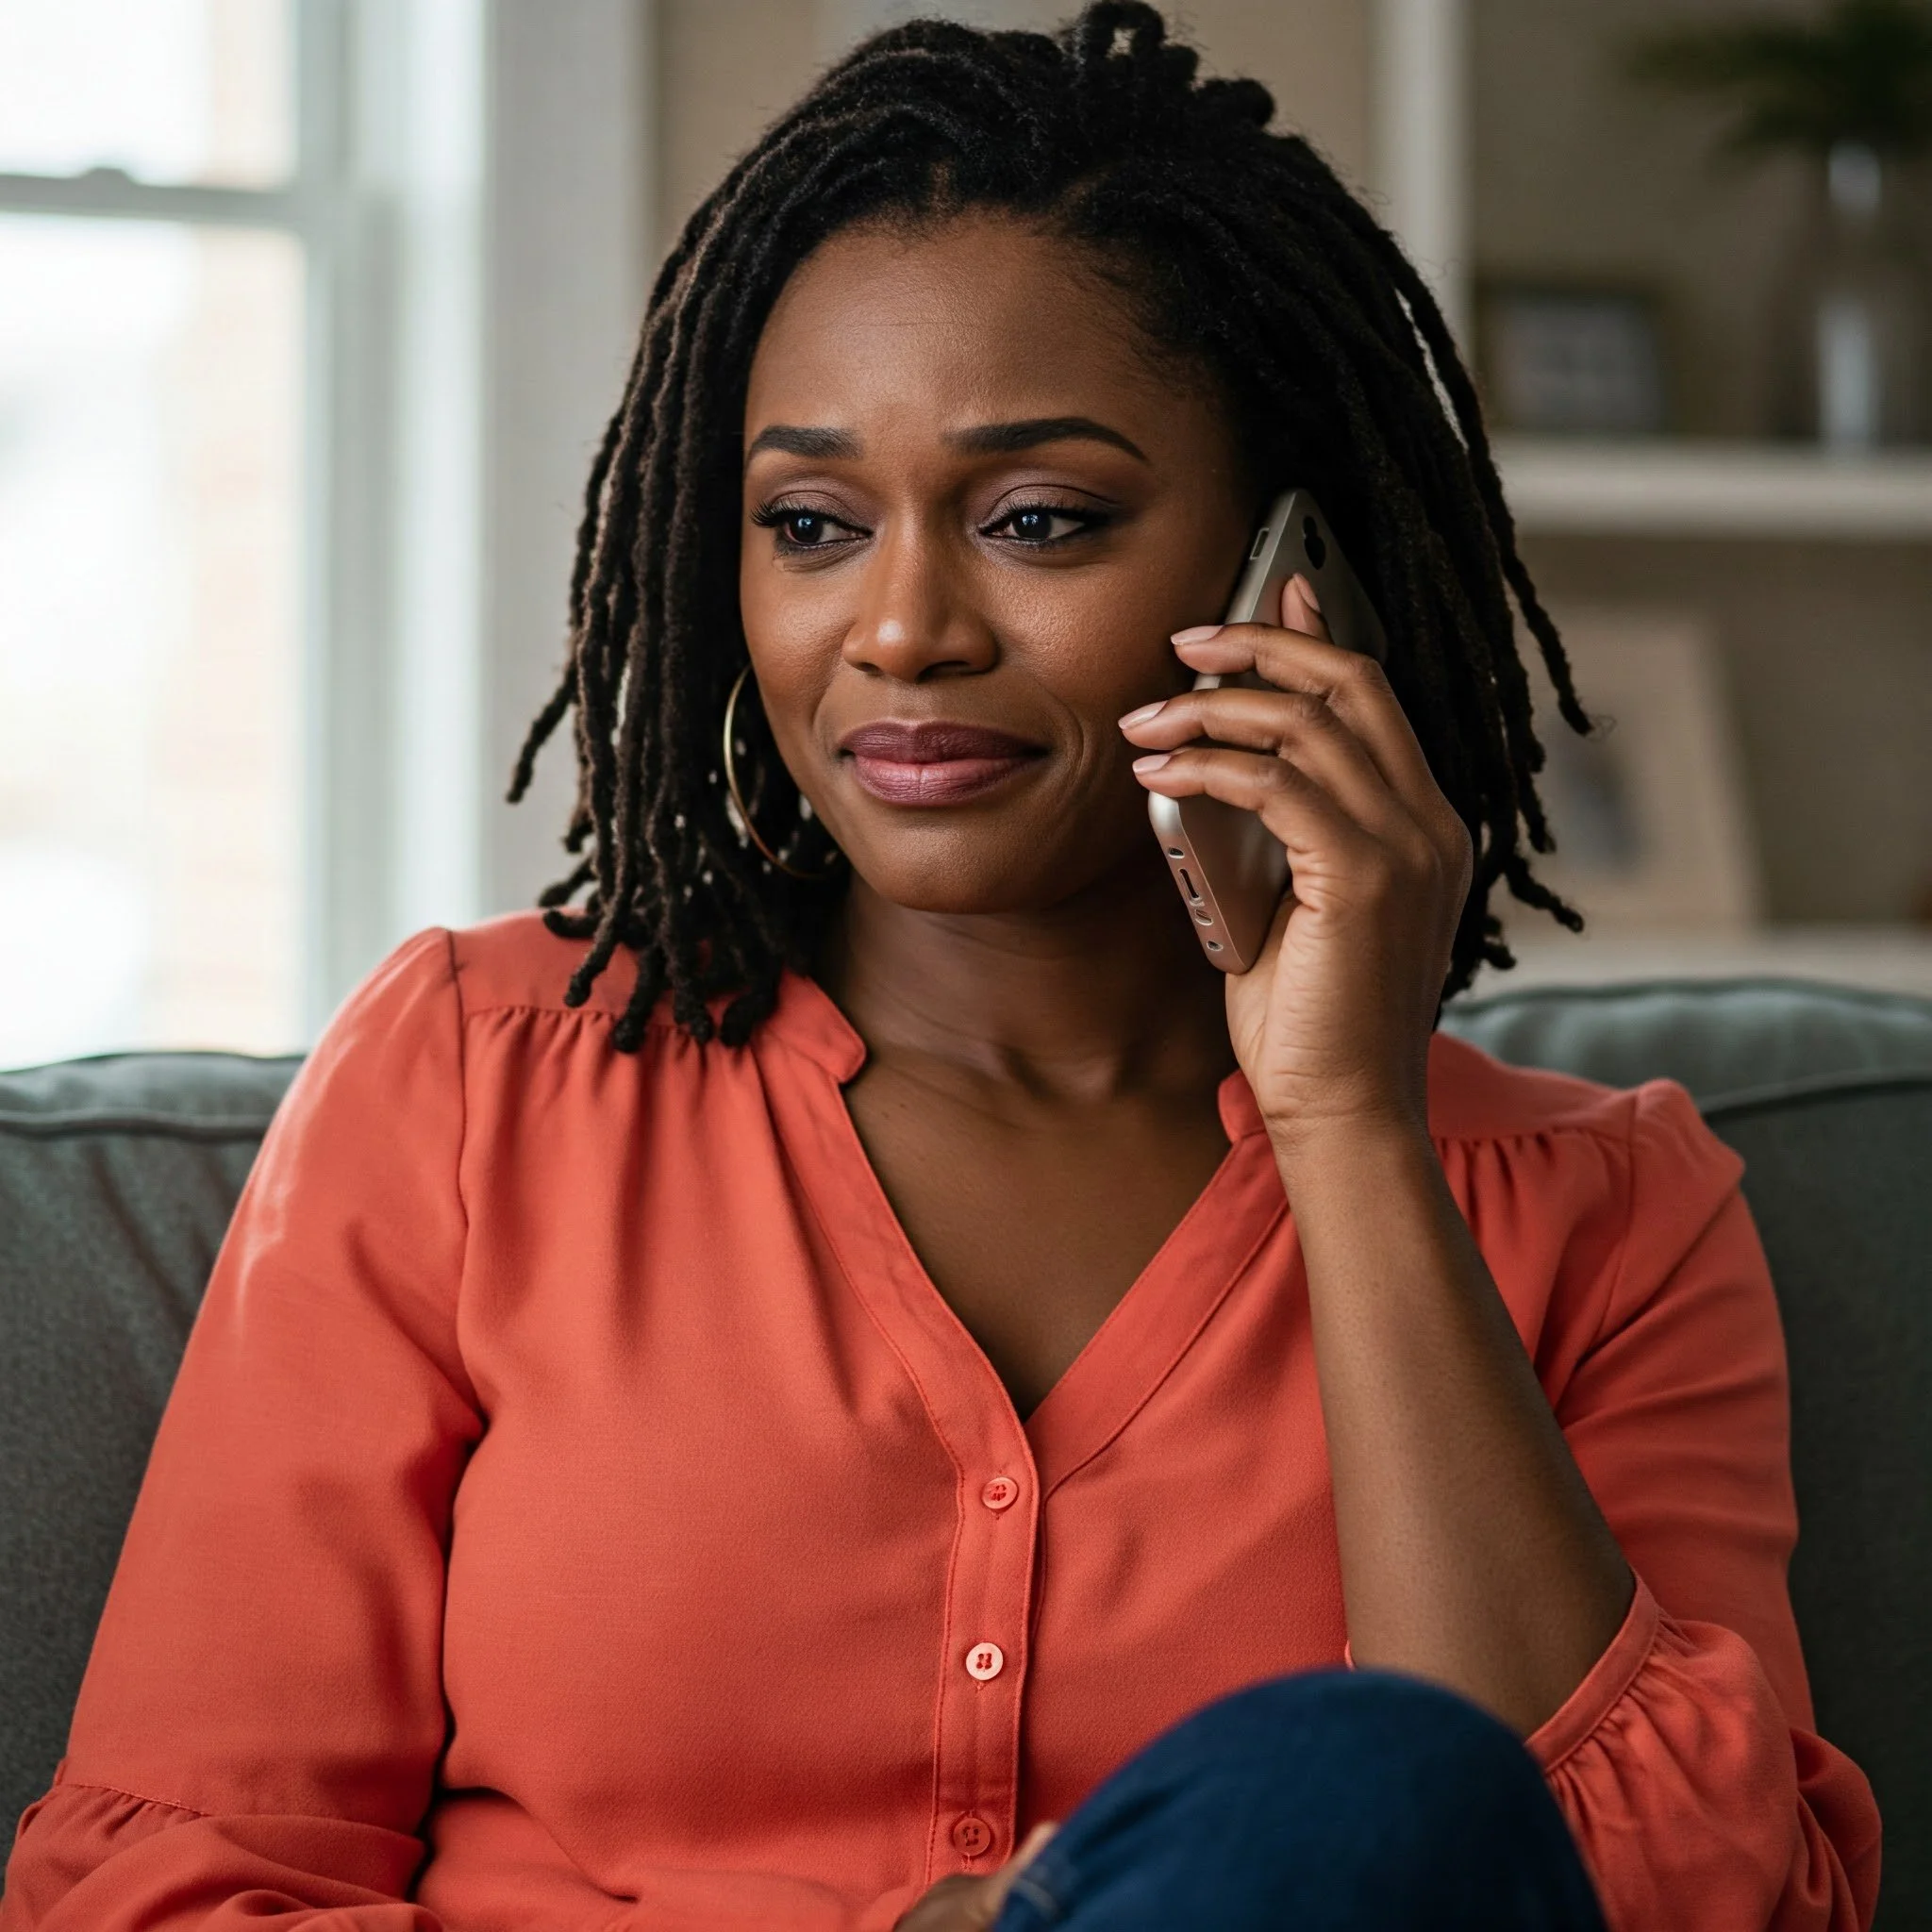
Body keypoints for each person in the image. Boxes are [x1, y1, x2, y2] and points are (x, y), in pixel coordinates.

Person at [0, 6, 1880, 1929]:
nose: (898, 627)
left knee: (1372, 1788)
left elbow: (1663, 1906)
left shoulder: (1602, 1215)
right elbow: (167, 1887)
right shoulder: (474, 1084)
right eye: (810, 523)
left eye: (1037, 520)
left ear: (1287, 584)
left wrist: (1347, 1128)